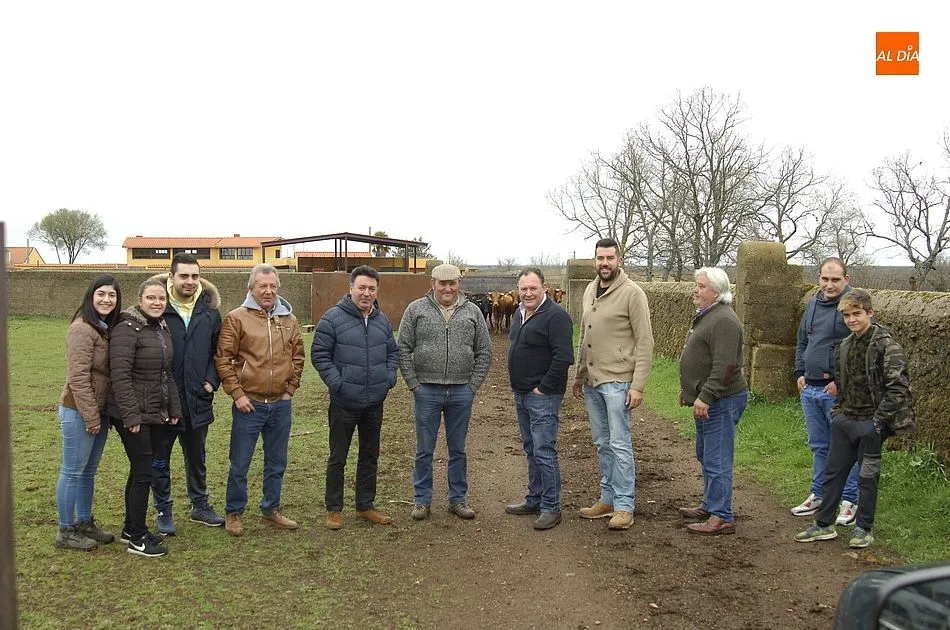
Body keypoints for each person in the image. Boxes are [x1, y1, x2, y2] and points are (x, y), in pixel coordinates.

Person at [795, 289, 914, 549]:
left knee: (867, 478)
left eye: (857, 314)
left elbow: (898, 388)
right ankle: (824, 524)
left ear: (870, 312)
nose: (852, 320)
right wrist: (837, 412)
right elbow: (841, 384)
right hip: (845, 420)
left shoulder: (886, 345)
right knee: (833, 473)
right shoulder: (845, 345)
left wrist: (878, 422)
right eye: (847, 315)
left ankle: (863, 529)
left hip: (870, 423)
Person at [398, 263, 492, 521]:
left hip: (461, 391)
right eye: (442, 283)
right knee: (424, 449)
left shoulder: (472, 311)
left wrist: (472, 386)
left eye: (453, 283)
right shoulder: (416, 310)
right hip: (426, 390)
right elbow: (403, 348)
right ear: (433, 283)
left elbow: (484, 351)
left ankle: (458, 499)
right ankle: (422, 500)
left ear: (459, 284)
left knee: (458, 449)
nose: (448, 288)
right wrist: (413, 383)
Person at [572, 238, 654, 530]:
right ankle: (607, 498)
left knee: (620, 444)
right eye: (599, 258)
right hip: (593, 381)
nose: (604, 263)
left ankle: (624, 505)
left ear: (619, 260)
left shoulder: (632, 294)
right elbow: (585, 334)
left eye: (609, 258)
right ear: (594, 261)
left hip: (618, 381)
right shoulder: (590, 290)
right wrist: (579, 373)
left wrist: (638, 385)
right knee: (601, 443)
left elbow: (645, 341)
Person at [216, 264, 304, 537]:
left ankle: (271, 508)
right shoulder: (236, 318)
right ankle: (234, 512)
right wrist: (237, 394)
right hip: (249, 405)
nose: (268, 291)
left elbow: (298, 357)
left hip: (280, 404)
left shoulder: (289, 319)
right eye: (263, 286)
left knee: (277, 462)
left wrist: (289, 390)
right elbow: (223, 359)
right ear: (251, 288)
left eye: (273, 286)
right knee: (240, 463)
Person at [312, 266, 399, 530]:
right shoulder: (332, 319)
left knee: (370, 455)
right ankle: (334, 509)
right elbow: (320, 355)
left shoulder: (381, 321)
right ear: (350, 288)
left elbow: (392, 353)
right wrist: (338, 384)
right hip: (344, 403)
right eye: (361, 287)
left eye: (372, 289)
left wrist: (388, 378)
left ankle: (365, 505)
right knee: (338, 456)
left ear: (377, 291)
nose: (366, 293)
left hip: (374, 402)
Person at [148, 253, 224, 535]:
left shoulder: (210, 312)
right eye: (184, 276)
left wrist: (210, 382)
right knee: (160, 458)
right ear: (171, 276)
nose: (190, 281)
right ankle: (164, 509)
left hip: (197, 397)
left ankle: (200, 505)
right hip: (163, 401)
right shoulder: (156, 308)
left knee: (197, 456)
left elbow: (220, 352)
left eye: (195, 276)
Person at [110, 278, 182, 557]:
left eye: (161, 298)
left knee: (140, 470)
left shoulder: (160, 329)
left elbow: (166, 374)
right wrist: (131, 416)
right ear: (140, 300)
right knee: (144, 474)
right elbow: (120, 377)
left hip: (155, 413)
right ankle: (138, 540)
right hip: (133, 415)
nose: (157, 303)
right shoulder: (127, 329)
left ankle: (131, 527)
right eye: (151, 298)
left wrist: (174, 409)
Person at [677, 268, 749, 536]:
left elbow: (726, 365)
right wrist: (689, 391)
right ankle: (710, 504)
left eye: (701, 286)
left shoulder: (724, 321)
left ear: (716, 292)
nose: (695, 290)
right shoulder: (709, 316)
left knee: (717, 458)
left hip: (722, 400)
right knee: (705, 453)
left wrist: (706, 396)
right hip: (708, 399)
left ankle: (722, 516)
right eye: (696, 285)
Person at [54, 275, 122, 551]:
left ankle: (84, 522)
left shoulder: (103, 327)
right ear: (90, 296)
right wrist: (91, 416)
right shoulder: (82, 329)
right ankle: (65, 529)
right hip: (78, 410)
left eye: (112, 295)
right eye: (101, 294)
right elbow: (78, 378)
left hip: (99, 410)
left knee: (88, 471)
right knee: (72, 471)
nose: (107, 299)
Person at [792, 257, 860, 525]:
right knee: (819, 446)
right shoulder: (812, 305)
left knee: (845, 447)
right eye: (825, 279)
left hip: (836, 391)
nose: (829, 285)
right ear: (818, 279)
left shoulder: (852, 308)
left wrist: (841, 382)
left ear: (846, 279)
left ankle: (849, 499)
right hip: (810, 388)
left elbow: (858, 349)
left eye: (835, 280)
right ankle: (819, 495)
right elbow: (802, 341)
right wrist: (799, 373)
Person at [504, 268, 574, 530]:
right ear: (518, 289)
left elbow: (563, 356)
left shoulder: (556, 316)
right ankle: (534, 498)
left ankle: (551, 507)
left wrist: (544, 387)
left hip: (542, 396)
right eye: (524, 288)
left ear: (544, 287)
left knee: (544, 450)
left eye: (533, 288)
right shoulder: (518, 313)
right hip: (521, 393)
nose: (528, 293)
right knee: (531, 447)